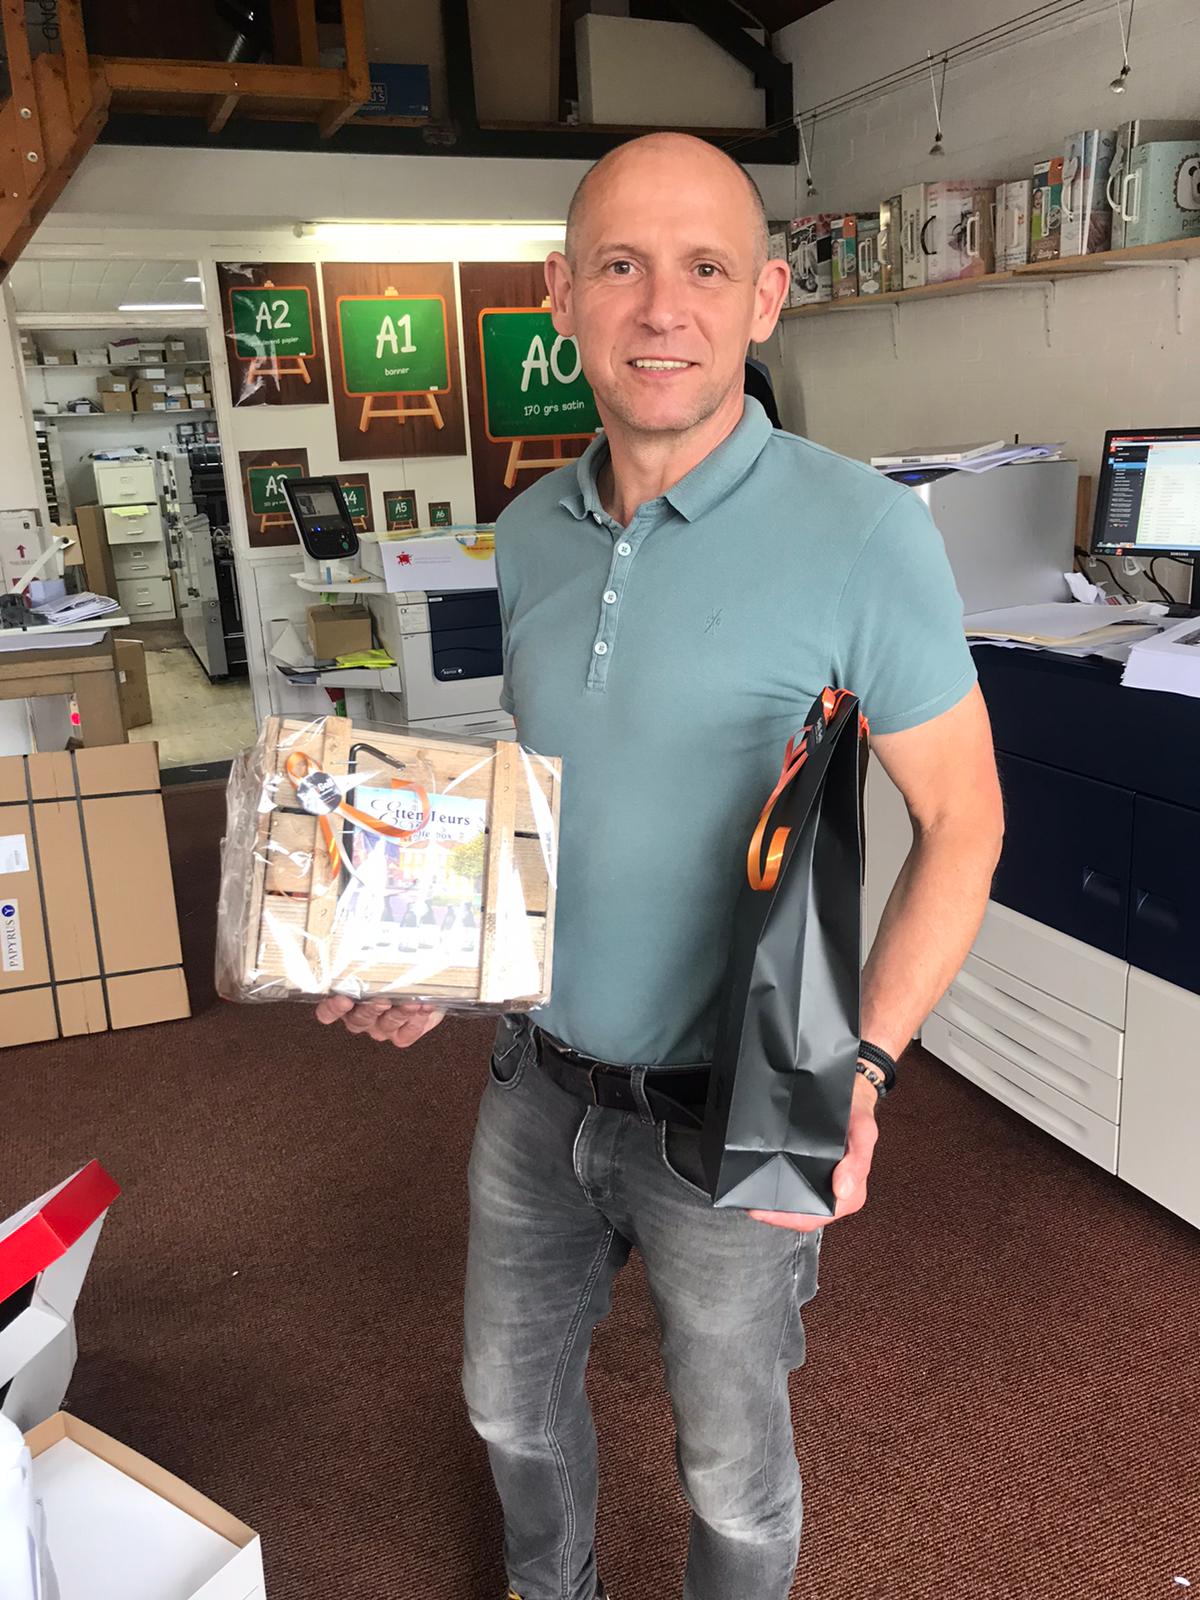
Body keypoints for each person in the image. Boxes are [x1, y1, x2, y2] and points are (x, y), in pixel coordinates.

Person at [318, 132, 1004, 1600]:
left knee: (732, 1481)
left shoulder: (865, 533)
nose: (661, 309)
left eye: (705, 268)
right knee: (507, 1411)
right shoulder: (528, 533)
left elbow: (966, 822)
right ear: (561, 295)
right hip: (536, 1083)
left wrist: (863, 1069)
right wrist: (436, 956)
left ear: (765, 299)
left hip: (738, 1106)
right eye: (621, 266)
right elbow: (552, 804)